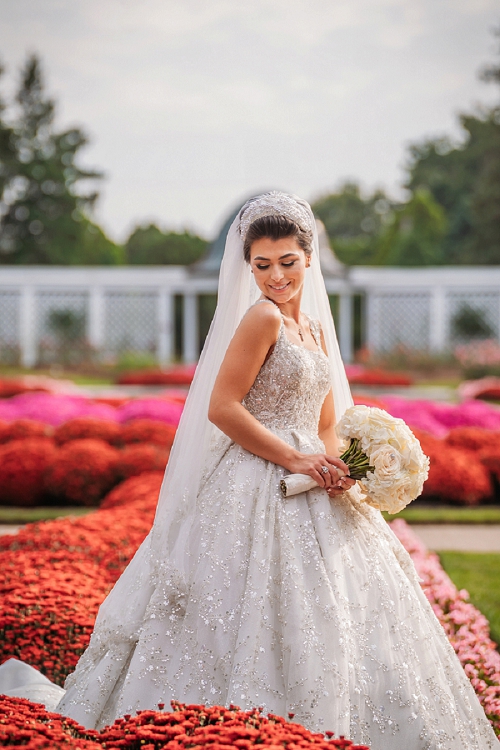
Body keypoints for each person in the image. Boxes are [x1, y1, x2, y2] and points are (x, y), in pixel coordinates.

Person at [1, 192, 496, 749]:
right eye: (262, 265)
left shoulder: (311, 329)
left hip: (312, 477)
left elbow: (327, 419)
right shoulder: (260, 318)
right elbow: (223, 408)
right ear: (249, 267)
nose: (276, 276)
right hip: (256, 479)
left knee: (336, 608)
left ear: (309, 259)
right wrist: (294, 456)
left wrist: (342, 465)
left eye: (287, 262)